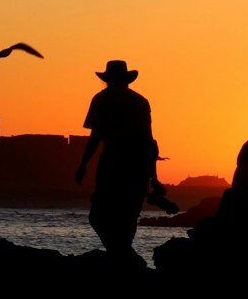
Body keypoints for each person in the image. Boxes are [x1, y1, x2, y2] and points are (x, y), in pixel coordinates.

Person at [75, 59, 175, 256]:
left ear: (107, 79)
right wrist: (153, 177)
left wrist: (83, 164)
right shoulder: (141, 101)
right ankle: (124, 257)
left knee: (98, 216)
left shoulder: (101, 99)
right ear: (127, 79)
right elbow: (149, 141)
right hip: (139, 167)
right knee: (129, 217)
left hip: (112, 164)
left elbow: (95, 137)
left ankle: (121, 256)